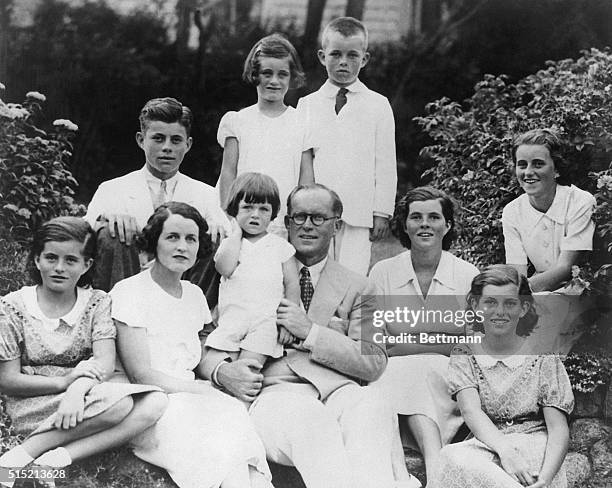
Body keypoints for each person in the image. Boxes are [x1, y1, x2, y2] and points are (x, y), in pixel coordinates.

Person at [204, 183, 419, 488]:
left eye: (318, 218)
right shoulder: (245, 266)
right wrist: (221, 370)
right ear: (287, 222)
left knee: (371, 406)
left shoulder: (359, 286)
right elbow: (203, 331)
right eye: (299, 217)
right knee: (310, 420)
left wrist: (312, 332)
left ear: (337, 226)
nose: (307, 225)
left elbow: (374, 361)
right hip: (275, 394)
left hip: (338, 391)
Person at [111, 202, 273, 488]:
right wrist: (200, 389)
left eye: (191, 239)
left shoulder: (194, 294)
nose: (182, 247)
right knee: (220, 446)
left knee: (235, 429)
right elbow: (141, 374)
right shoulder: (130, 292)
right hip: (151, 404)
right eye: (172, 237)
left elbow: (198, 351)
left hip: (192, 398)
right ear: (154, 242)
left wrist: (216, 378)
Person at [0, 217, 167, 488]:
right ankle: (18, 457)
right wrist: (64, 383)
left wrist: (76, 391)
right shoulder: (12, 307)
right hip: (35, 398)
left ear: (86, 265)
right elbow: (8, 380)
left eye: (71, 261)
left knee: (156, 401)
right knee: (122, 404)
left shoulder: (96, 303)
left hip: (85, 395)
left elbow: (103, 362)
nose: (59, 268)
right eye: (51, 258)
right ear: (36, 260)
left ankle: (55, 459)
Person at [367, 187, 480, 481]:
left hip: (447, 377)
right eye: (416, 217)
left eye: (434, 217)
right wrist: (439, 341)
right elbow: (375, 341)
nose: (425, 224)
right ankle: (421, 471)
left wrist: (405, 345)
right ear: (405, 225)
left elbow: (470, 344)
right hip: (393, 375)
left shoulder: (467, 275)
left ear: (448, 225)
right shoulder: (383, 272)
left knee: (413, 372)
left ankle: (419, 471)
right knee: (393, 380)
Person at [428, 265, 574, 488]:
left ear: (524, 307)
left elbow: (558, 429)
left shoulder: (542, 354)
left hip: (535, 446)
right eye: (490, 302)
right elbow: (471, 411)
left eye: (510, 303)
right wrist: (505, 451)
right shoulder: (465, 353)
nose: (499, 312)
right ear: (476, 305)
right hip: (489, 444)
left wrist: (545, 478)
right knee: (449, 457)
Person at [84, 97, 229, 300]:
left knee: (217, 238)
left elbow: (229, 251)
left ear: (188, 145)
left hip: (183, 288)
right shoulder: (112, 189)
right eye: (158, 138)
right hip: (129, 285)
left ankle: (194, 323)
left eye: (176, 140)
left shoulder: (205, 194)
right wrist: (104, 221)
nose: (167, 147)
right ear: (141, 140)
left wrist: (216, 229)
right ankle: (114, 319)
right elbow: (83, 242)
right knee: (110, 232)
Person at [296, 17, 397, 275]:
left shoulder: (378, 105)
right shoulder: (307, 105)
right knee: (314, 271)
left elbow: (385, 163)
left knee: (352, 274)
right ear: (322, 56)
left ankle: (349, 316)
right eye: (336, 54)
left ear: (364, 59)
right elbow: (301, 158)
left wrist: (382, 211)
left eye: (352, 55)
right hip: (317, 210)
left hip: (359, 210)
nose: (343, 62)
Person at [502, 128, 596, 353]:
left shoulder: (580, 202)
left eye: (537, 164)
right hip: (539, 292)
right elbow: (518, 273)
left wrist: (516, 293)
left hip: (582, 292)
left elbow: (565, 269)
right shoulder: (512, 211)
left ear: (556, 169)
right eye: (521, 164)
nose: (528, 172)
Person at [217, 33, 314, 237]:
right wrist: (230, 218)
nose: (274, 81)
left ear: (292, 76)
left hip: (284, 221)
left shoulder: (303, 122)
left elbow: (306, 179)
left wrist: (300, 218)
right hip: (243, 218)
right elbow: (228, 172)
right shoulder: (237, 121)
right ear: (254, 74)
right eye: (266, 73)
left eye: (282, 74)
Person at [206, 173, 300, 373]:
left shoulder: (281, 247)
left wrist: (287, 324)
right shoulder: (230, 245)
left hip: (265, 322)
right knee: (221, 365)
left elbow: (292, 286)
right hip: (232, 320)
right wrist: (237, 233)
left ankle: (244, 397)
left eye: (264, 209)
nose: (255, 214)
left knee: (248, 369)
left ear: (273, 214)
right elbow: (224, 268)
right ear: (234, 210)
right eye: (247, 208)